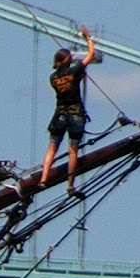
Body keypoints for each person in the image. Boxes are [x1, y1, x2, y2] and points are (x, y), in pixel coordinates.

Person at [40, 26, 96, 198]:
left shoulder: (53, 78)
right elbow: (91, 54)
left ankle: (43, 178)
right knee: (73, 150)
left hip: (60, 114)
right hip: (76, 114)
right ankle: (70, 185)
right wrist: (88, 37)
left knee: (52, 148)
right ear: (68, 61)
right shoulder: (74, 72)